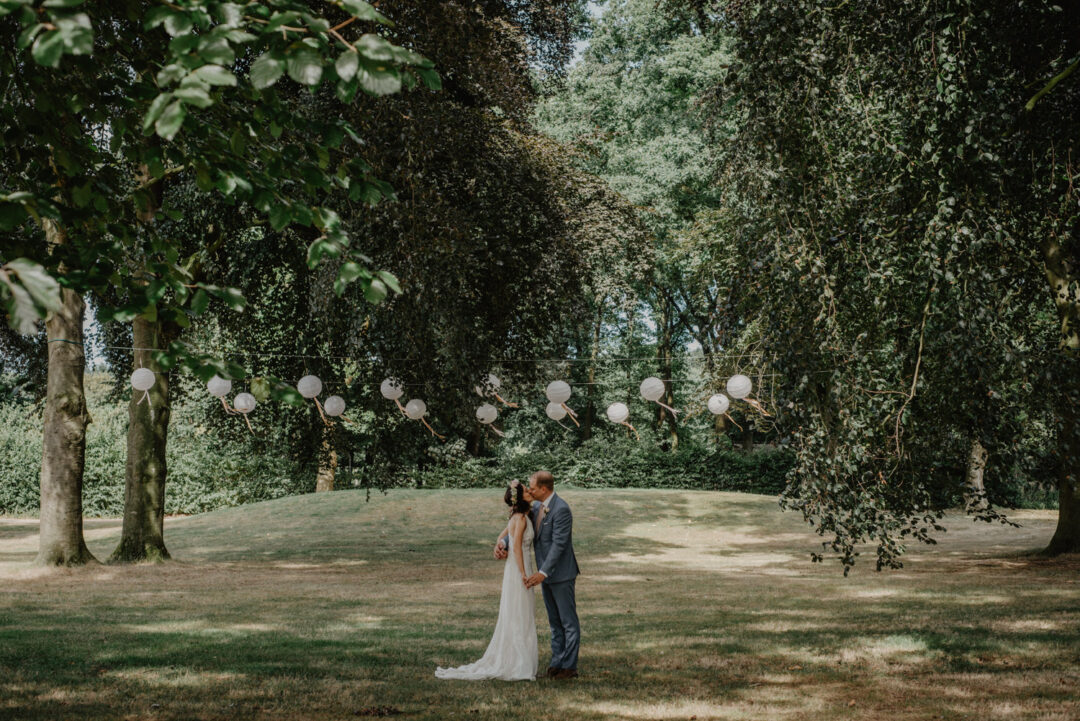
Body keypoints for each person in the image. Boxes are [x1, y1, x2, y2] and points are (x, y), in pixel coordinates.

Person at [435, 481, 538, 681]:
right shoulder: (520, 518)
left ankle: (516, 659)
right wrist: (524, 574)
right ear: (520, 497)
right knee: (520, 613)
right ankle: (519, 663)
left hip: (514, 568)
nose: (529, 491)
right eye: (526, 490)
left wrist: (500, 543)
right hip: (519, 568)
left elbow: (503, 536)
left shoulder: (517, 517)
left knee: (517, 612)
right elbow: (517, 547)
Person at [519, 471, 580, 680]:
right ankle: (557, 662)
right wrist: (503, 543)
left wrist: (543, 572)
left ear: (544, 489)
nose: (530, 491)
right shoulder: (537, 507)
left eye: (532, 488)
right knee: (554, 622)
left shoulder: (561, 509)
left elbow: (559, 545)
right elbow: (521, 527)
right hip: (544, 574)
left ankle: (569, 666)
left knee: (568, 622)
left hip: (561, 574)